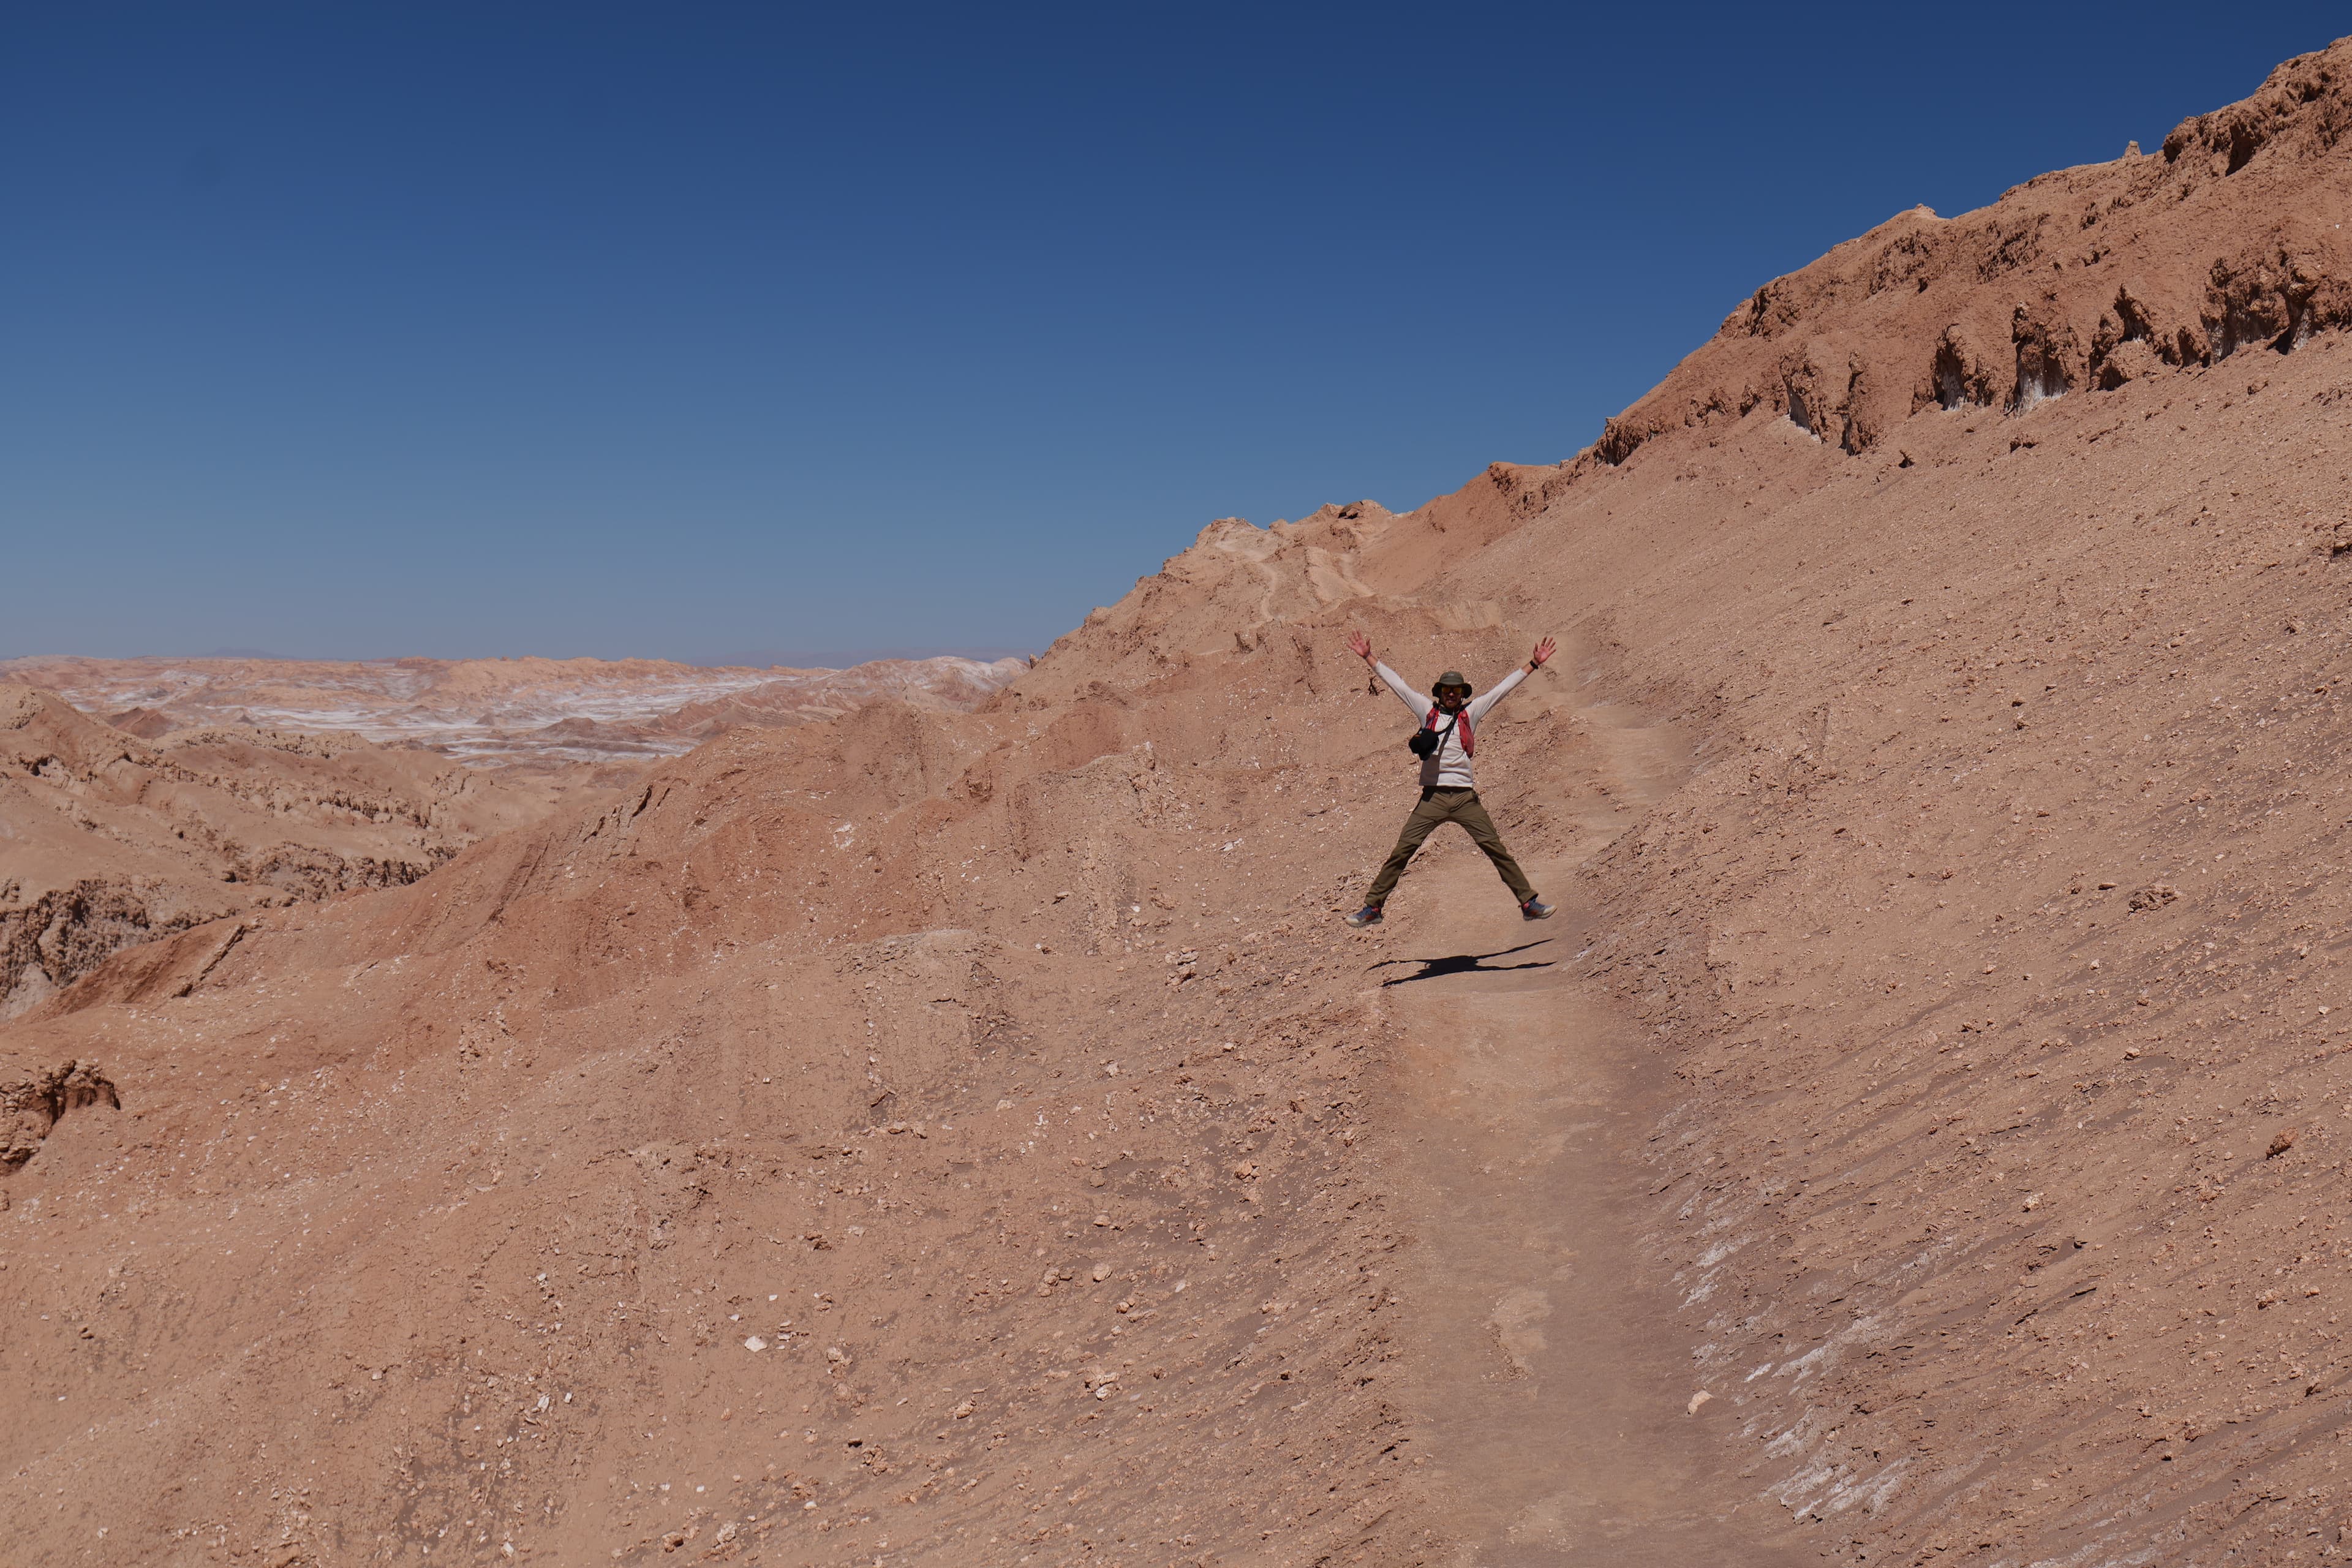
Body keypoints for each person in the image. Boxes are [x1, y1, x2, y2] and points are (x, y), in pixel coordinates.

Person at [1341, 630, 1556, 928]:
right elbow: (1398, 684)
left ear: (1462, 693)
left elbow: (1502, 689)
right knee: (1404, 849)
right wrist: (1368, 657)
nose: (1452, 694)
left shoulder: (1473, 713)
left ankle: (1528, 903)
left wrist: (1534, 663)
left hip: (1465, 798)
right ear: (1440, 692)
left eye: (1456, 690)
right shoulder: (1426, 711)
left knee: (1495, 848)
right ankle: (1373, 908)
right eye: (1447, 690)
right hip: (1433, 798)